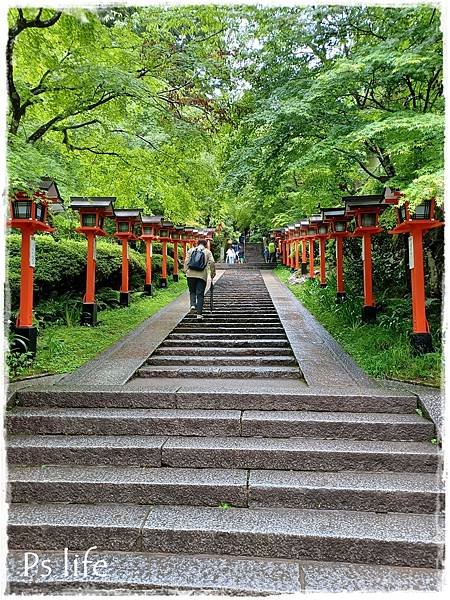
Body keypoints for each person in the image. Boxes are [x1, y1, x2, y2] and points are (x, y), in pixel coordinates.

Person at [184, 238, 216, 319]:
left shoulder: (191, 250)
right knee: (200, 294)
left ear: (197, 244)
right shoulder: (208, 252)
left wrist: (186, 271)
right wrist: (212, 273)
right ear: (205, 245)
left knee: (192, 291)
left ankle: (192, 305)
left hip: (190, 274)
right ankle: (199, 314)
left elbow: (186, 261)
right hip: (202, 275)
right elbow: (212, 262)